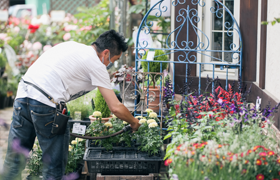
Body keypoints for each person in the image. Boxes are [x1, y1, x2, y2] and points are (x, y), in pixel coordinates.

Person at [3, 30, 141, 180]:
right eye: (114, 60)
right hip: (46, 103)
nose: (110, 64)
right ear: (106, 53)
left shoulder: (71, 46)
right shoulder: (96, 63)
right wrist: (134, 122)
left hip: (22, 96)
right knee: (53, 167)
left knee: (14, 160)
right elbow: (115, 107)